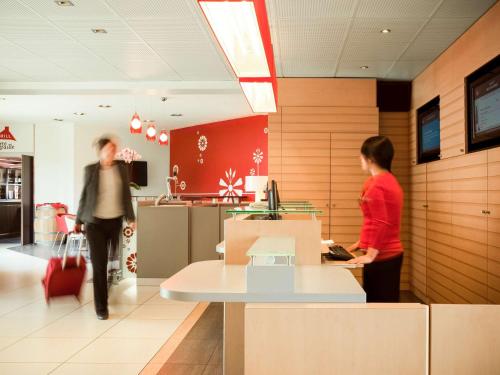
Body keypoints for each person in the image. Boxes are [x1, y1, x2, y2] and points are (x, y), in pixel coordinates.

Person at [75, 136, 136, 320]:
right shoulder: (90, 170)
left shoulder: (121, 170)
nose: (111, 153)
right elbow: (85, 195)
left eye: (113, 149)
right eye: (108, 150)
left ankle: (104, 289)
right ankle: (101, 307)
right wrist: (78, 220)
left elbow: (126, 195)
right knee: (99, 265)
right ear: (100, 152)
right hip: (94, 224)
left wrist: (131, 217)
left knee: (111, 264)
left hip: (114, 222)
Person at [346, 136, 403, 302]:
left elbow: (382, 222)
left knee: (380, 310)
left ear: (370, 159)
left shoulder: (379, 185)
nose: (360, 159)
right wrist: (360, 243)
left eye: (362, 155)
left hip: (383, 257)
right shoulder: (381, 180)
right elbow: (374, 219)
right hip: (381, 254)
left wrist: (370, 255)